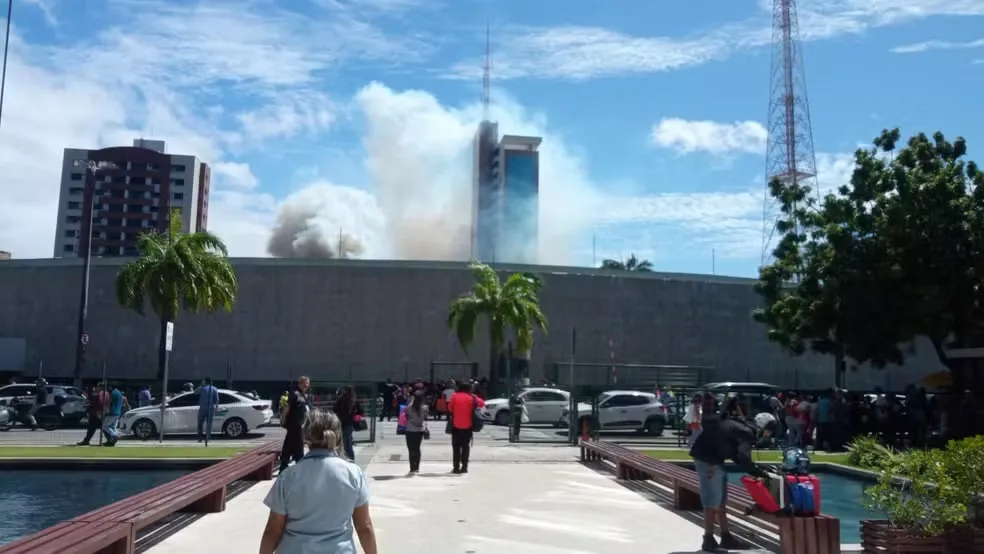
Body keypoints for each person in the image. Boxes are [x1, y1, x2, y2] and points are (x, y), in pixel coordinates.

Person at [259, 409, 378, 554]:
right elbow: (364, 527)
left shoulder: (289, 476)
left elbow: (273, 530)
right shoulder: (353, 474)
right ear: (338, 435)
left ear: (306, 436)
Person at [690, 392, 766, 552]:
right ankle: (708, 539)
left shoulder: (737, 425)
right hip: (708, 462)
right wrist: (757, 472)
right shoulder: (746, 433)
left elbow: (737, 455)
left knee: (721, 503)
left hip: (714, 461)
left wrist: (755, 470)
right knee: (711, 503)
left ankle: (725, 537)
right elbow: (743, 458)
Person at [447, 381, 484, 474]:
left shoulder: (454, 396)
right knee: (465, 447)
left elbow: (450, 408)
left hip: (456, 426)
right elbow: (482, 403)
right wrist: (473, 395)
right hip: (468, 426)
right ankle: (464, 467)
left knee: (456, 448)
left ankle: (456, 467)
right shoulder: (472, 397)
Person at [279, 376, 311, 471]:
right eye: (304, 383)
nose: (306, 385)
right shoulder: (295, 394)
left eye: (307, 383)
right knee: (298, 445)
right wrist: (283, 419)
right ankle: (298, 464)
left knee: (289, 445)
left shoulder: (304, 395)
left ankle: (284, 465)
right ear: (299, 383)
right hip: (294, 424)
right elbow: (287, 408)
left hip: (300, 425)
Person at [332, 387, 362, 460]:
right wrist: (355, 415)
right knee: (348, 440)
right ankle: (350, 457)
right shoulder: (354, 400)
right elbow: (361, 411)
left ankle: (347, 457)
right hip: (349, 422)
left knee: (345, 441)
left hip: (342, 422)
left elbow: (335, 409)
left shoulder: (342, 399)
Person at [404, 390, 429, 475]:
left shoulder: (409, 407)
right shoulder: (425, 408)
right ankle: (417, 467)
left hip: (410, 429)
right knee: (417, 448)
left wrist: (411, 400)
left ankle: (412, 467)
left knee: (411, 450)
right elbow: (425, 416)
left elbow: (405, 413)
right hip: (419, 430)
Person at [197, 378, 219, 442]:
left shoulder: (202, 388)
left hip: (203, 408)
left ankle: (200, 438)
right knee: (209, 424)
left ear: (205, 382)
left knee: (200, 423)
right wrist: (217, 407)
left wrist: (201, 385)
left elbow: (195, 392)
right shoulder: (214, 388)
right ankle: (207, 438)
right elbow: (217, 399)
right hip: (210, 408)